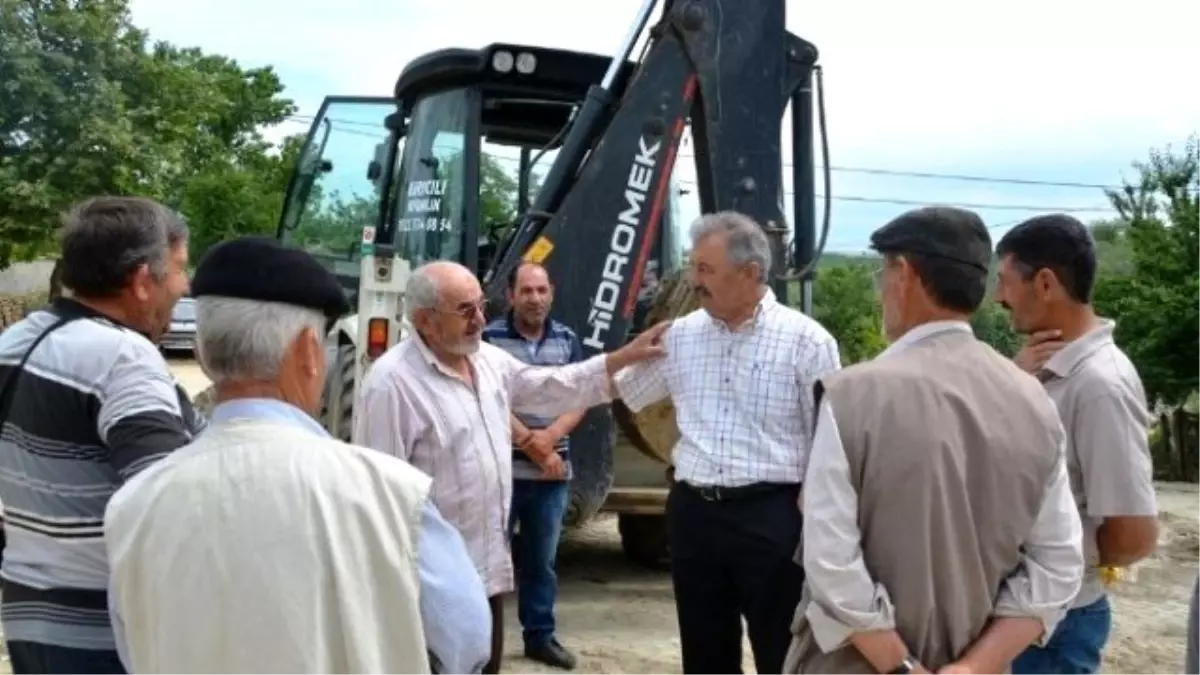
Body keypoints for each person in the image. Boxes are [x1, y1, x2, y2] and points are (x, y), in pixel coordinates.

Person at [103, 236, 493, 675]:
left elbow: (134, 651)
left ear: (202, 355)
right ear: (310, 351)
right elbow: (466, 639)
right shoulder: (393, 497)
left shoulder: (132, 509)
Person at [784, 206, 1086, 675]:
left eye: (882, 272)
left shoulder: (852, 395)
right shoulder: (1034, 401)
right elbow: (1059, 565)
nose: (881, 289)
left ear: (904, 274)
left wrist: (901, 666)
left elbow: (831, 564)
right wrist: (972, 667)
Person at [353, 259, 669, 675]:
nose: (480, 319)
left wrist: (621, 359)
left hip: (485, 575)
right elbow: (380, 502)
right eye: (465, 310)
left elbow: (549, 386)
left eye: (480, 305)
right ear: (425, 322)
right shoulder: (391, 386)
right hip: (432, 589)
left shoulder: (485, 359)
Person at [611, 211, 841, 674]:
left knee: (781, 647)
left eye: (706, 270)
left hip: (772, 517)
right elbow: (621, 389)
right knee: (705, 651)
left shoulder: (807, 342)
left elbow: (832, 437)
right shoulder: (682, 337)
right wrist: (622, 356)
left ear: (751, 273)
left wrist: (812, 508)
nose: (694, 281)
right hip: (694, 514)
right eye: (693, 266)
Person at [0, 196, 201, 675]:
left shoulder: (16, 341)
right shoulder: (122, 360)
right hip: (105, 636)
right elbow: (166, 505)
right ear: (140, 282)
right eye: (177, 269)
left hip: (27, 619)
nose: (184, 285)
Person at [995, 213, 1159, 674]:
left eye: (1006, 281)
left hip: (1057, 623)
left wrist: (1061, 563)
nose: (998, 297)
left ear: (1045, 283)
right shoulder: (1048, 369)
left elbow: (1133, 533)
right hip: (1031, 614)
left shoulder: (1099, 384)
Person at [481, 261, 587, 669]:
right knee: (489, 559)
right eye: (527, 291)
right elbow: (487, 398)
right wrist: (533, 443)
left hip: (551, 475)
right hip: (502, 474)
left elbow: (580, 397)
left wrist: (548, 442)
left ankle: (539, 638)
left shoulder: (567, 339)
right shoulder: (488, 338)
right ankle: (482, 645)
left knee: (542, 563)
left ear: (552, 293)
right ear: (511, 295)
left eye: (541, 290)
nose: (535, 299)